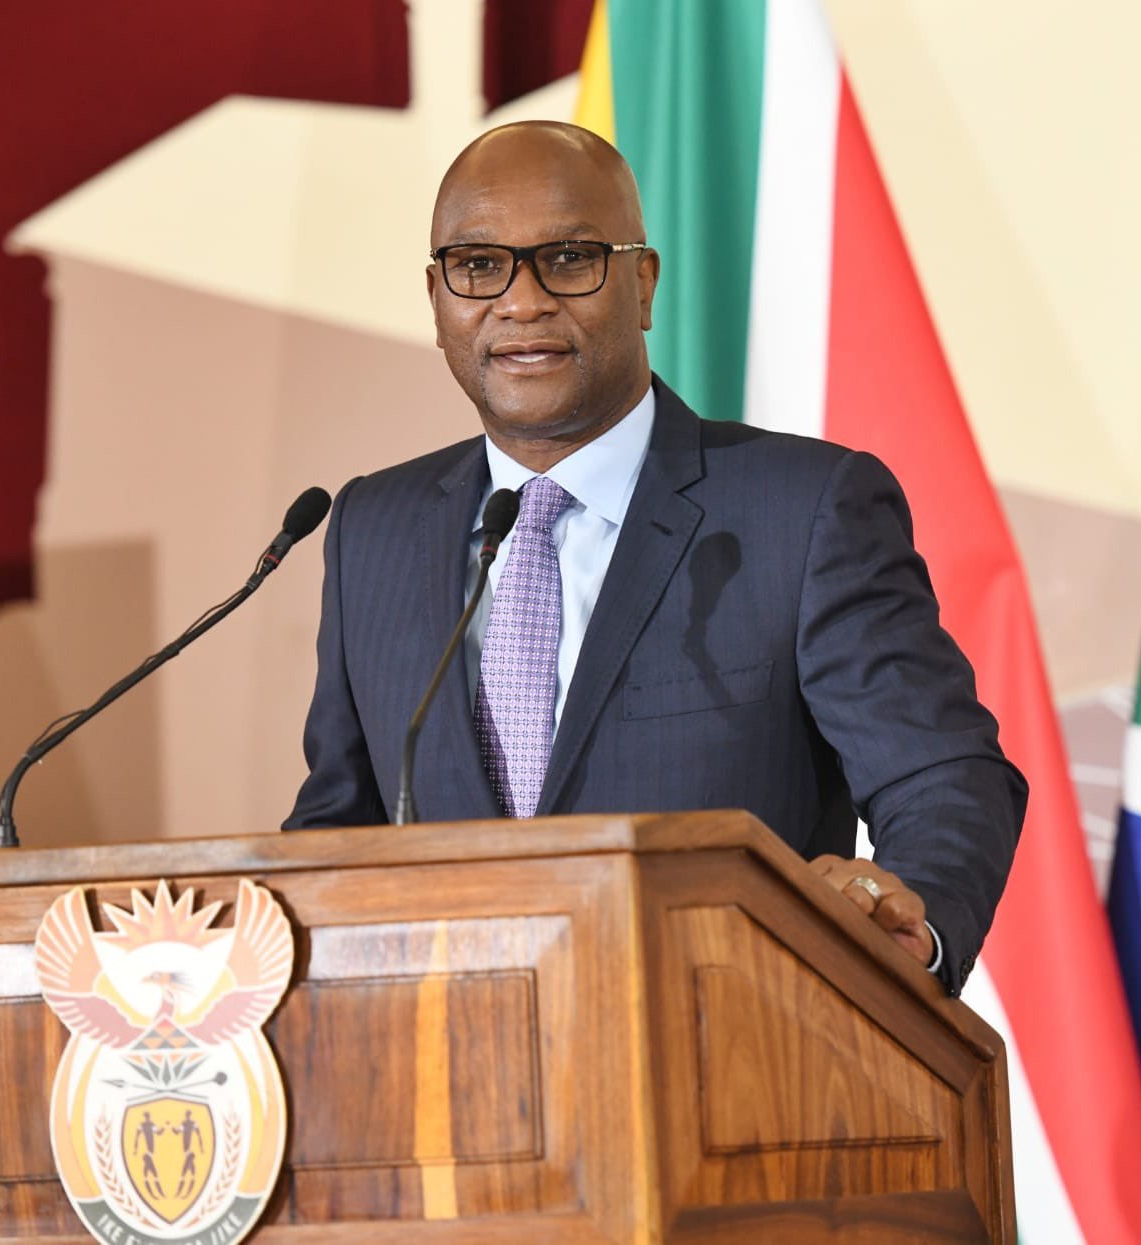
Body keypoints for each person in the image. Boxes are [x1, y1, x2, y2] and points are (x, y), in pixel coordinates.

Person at [285, 121, 1026, 994]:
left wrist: (912, 918)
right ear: (438, 295)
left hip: (729, 1054)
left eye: (568, 258)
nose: (521, 302)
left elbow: (941, 774)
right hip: (449, 1080)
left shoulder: (803, 509)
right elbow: (340, 827)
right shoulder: (374, 525)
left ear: (643, 284)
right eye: (478, 265)